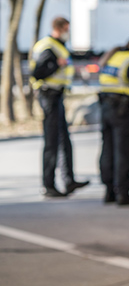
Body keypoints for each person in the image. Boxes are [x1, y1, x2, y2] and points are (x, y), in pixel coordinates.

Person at [29, 16, 89, 198]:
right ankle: (49, 185)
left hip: (57, 95)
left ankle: (68, 180)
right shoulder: (48, 47)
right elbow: (37, 73)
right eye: (66, 29)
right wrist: (57, 64)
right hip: (49, 96)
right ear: (60, 28)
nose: (68, 32)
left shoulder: (57, 45)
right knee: (52, 141)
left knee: (64, 140)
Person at [97, 37, 129, 205]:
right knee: (123, 150)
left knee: (108, 149)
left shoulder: (114, 57)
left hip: (105, 107)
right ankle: (123, 192)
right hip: (120, 109)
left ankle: (109, 191)